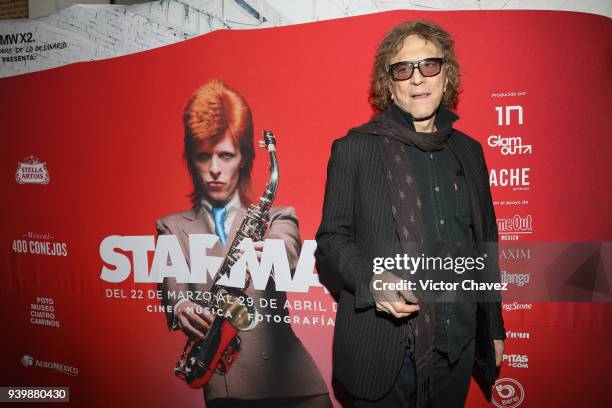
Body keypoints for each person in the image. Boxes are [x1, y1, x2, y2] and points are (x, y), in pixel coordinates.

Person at [315, 20, 506, 408]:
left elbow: (485, 244)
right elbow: (331, 241)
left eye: (429, 65)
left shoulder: (469, 152)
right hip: (385, 351)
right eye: (403, 69)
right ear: (389, 83)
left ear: (446, 73)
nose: (418, 78)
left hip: (457, 346)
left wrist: (494, 328)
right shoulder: (355, 149)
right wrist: (372, 281)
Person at [157, 79, 330, 407]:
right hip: (229, 385)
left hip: (296, 383)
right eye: (203, 156)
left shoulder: (277, 215)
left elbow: (289, 253)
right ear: (190, 159)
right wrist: (181, 307)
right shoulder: (171, 226)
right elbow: (172, 288)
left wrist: (273, 254)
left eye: (226, 155)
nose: (214, 170)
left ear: (245, 157)